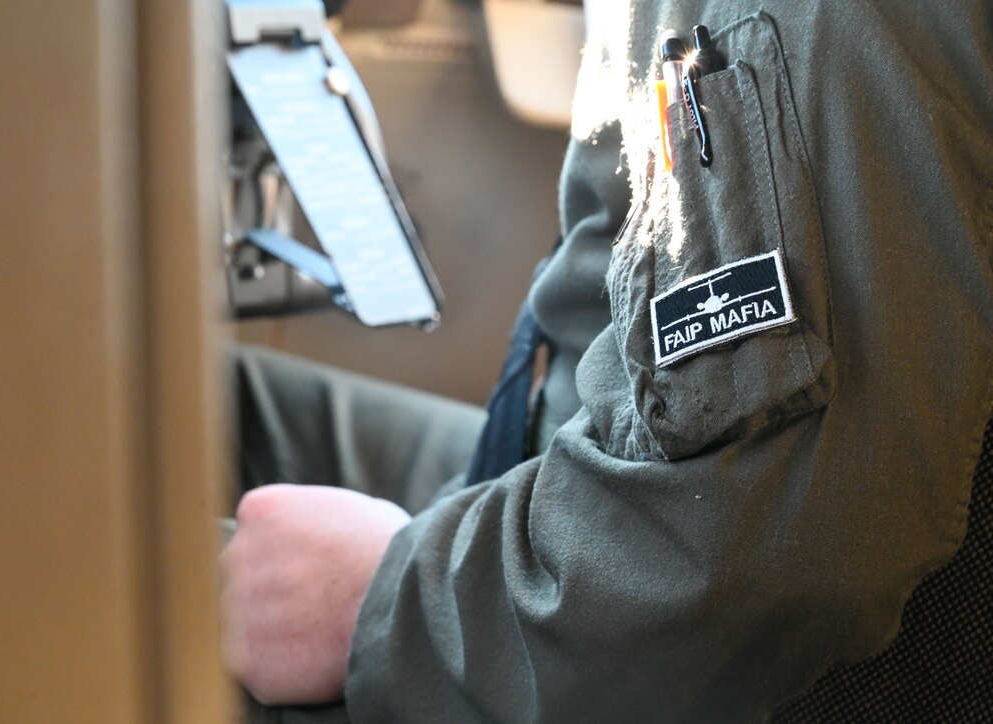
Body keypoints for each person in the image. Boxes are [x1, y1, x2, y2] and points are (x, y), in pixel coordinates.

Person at [220, 1, 993, 721]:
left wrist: (378, 605)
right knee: (223, 406)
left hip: (668, 618)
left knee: (140, 564)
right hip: (602, 458)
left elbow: (766, 554)